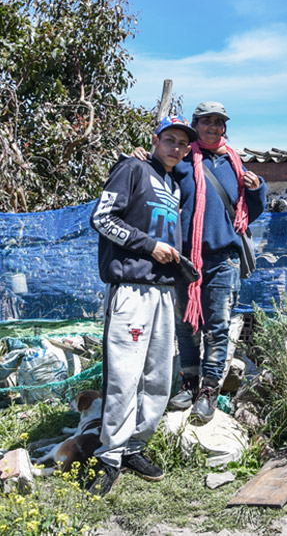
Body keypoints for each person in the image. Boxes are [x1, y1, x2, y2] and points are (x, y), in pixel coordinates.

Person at [88, 115, 198, 495]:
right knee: (123, 374)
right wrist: (149, 246)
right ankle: (109, 456)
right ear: (154, 140)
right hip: (131, 289)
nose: (176, 148)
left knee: (158, 377)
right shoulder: (131, 168)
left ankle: (135, 446)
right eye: (169, 140)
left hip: (164, 292)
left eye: (182, 144)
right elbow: (102, 218)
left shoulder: (174, 184)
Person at [162, 101, 267, 424]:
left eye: (219, 123)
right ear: (196, 125)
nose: (213, 128)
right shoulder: (181, 160)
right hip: (185, 260)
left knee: (218, 328)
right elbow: (155, 181)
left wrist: (258, 189)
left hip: (223, 259)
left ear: (225, 128)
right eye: (206, 122)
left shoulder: (233, 165)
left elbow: (249, 212)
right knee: (186, 325)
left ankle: (209, 390)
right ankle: (188, 384)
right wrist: (138, 157)